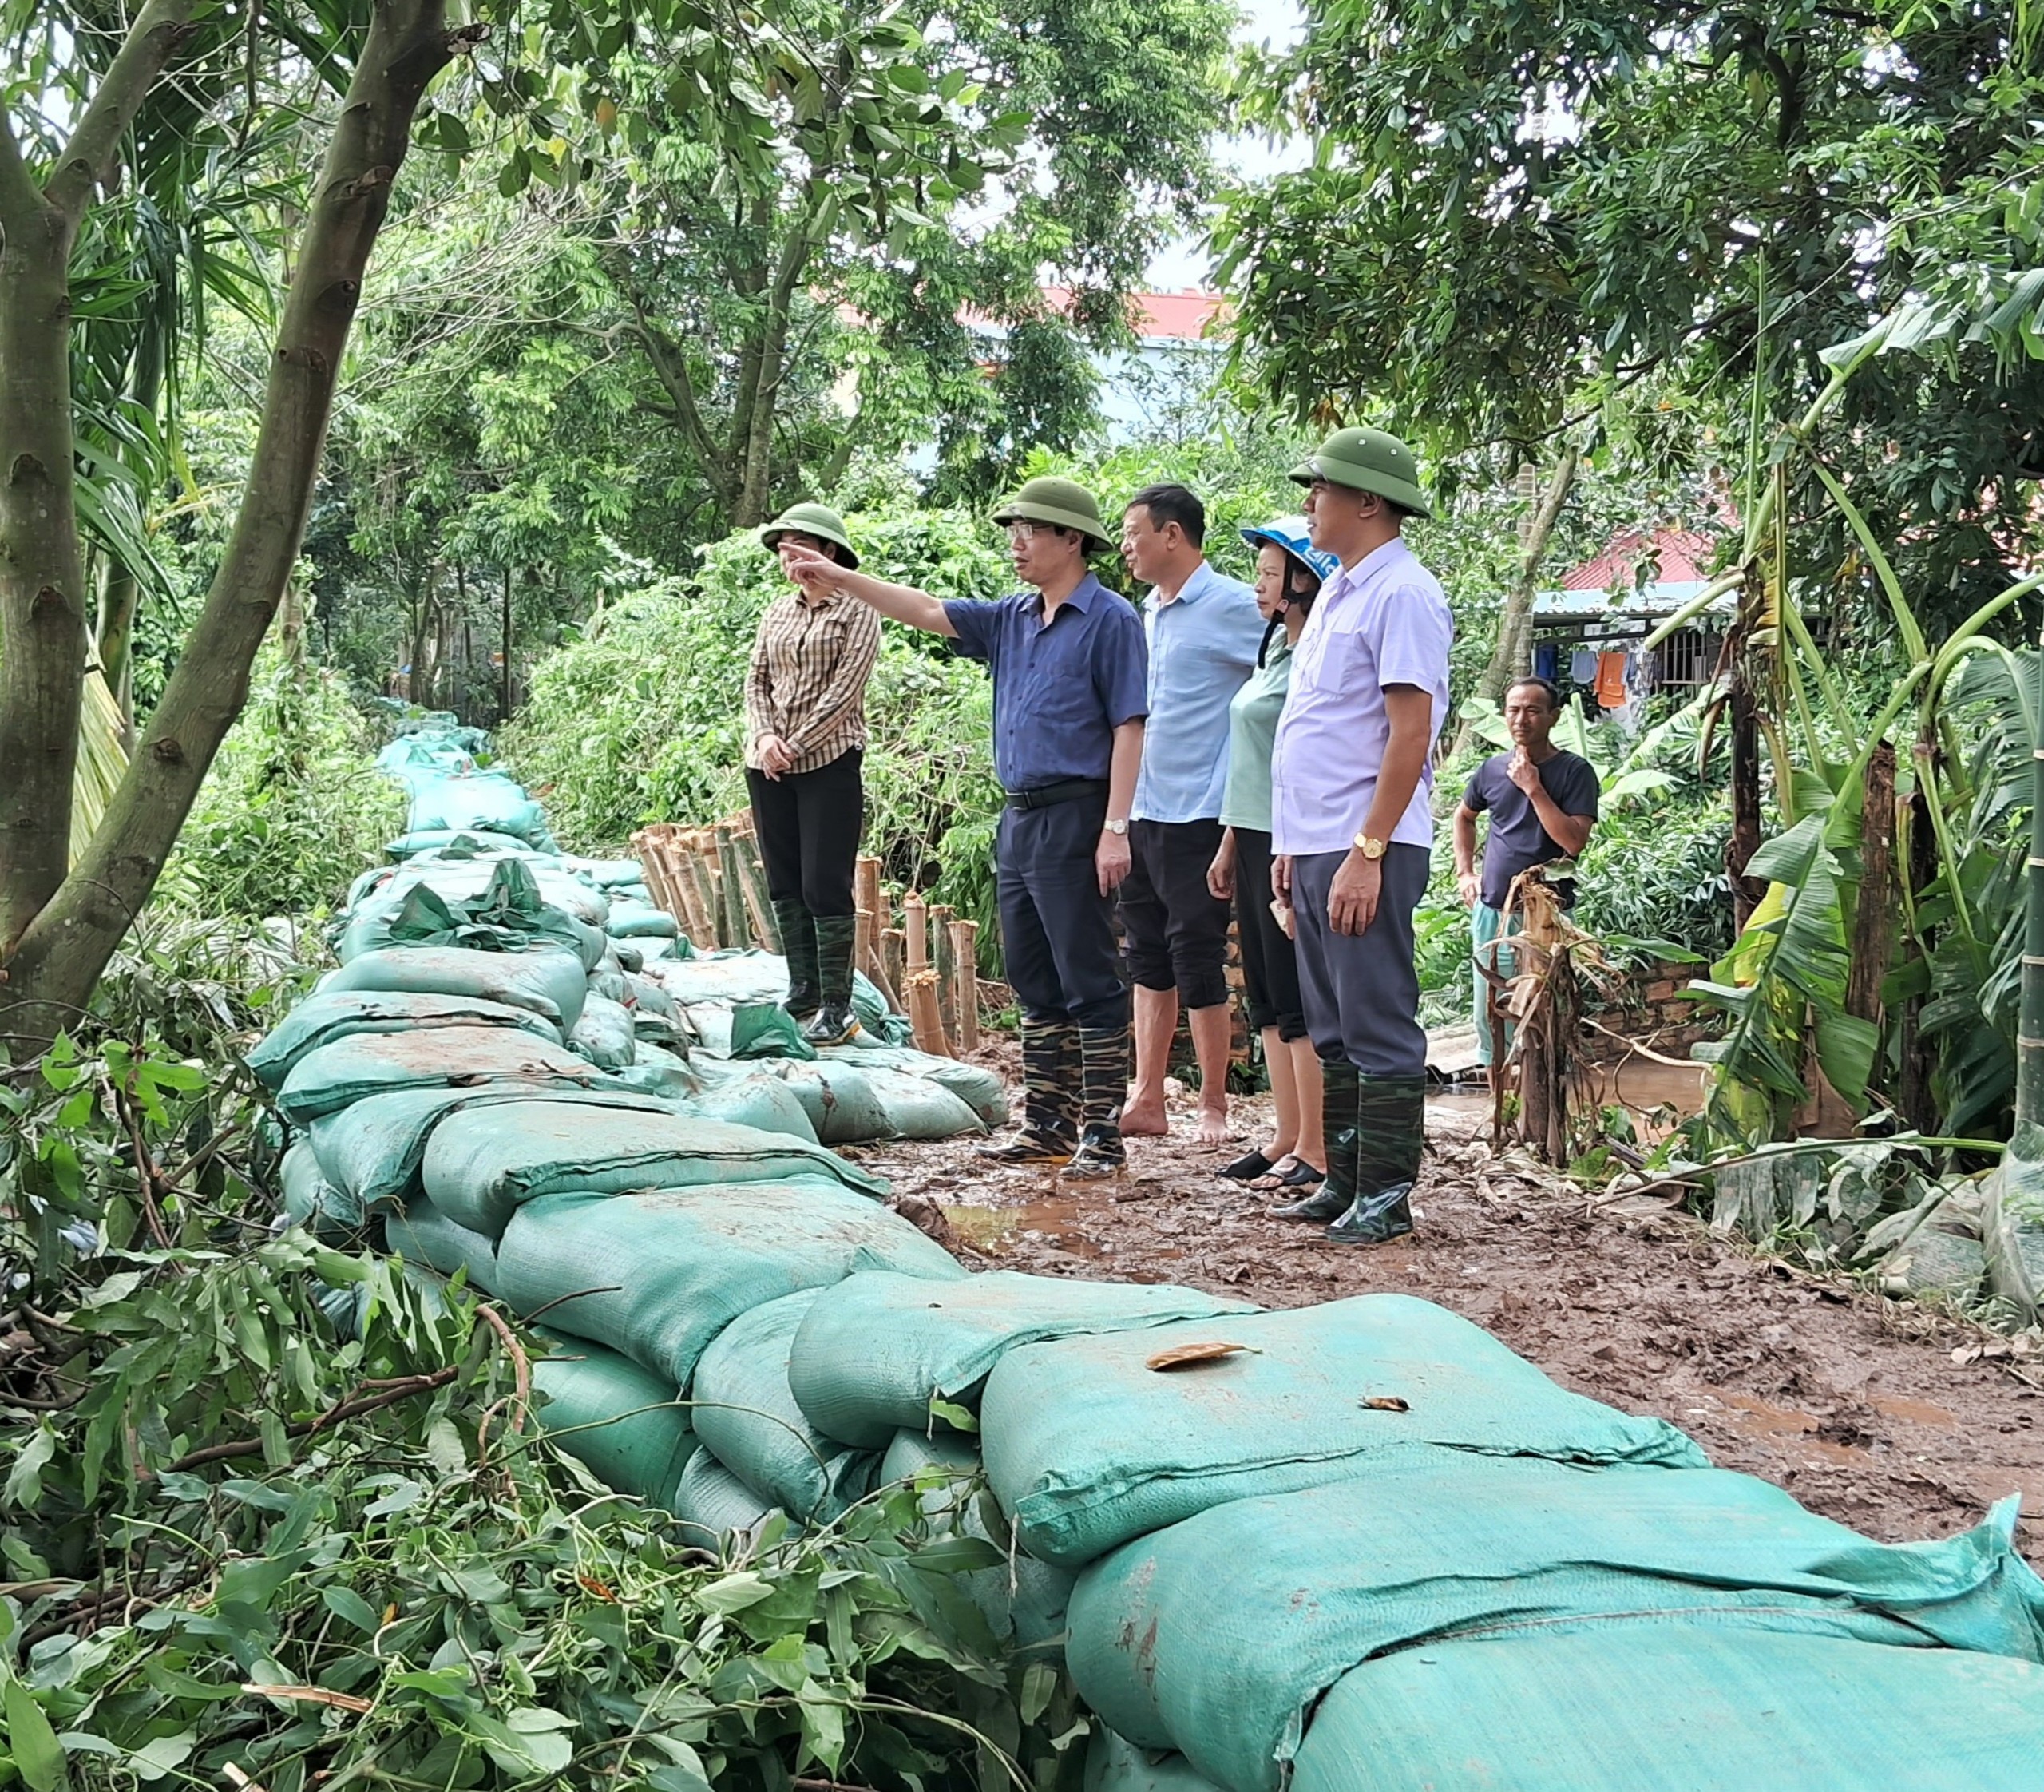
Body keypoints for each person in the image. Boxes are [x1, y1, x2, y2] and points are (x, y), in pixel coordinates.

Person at [779, 478, 1147, 1180]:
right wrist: (838, 576)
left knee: (1089, 974)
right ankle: (1046, 1124)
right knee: (1034, 974)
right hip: (1020, 815)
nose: (1017, 542)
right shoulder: (1012, 617)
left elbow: (1130, 725)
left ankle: (1101, 1132)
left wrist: (1116, 827)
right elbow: (921, 608)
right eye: (1013, 529)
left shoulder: (1110, 619)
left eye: (1030, 530)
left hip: (1079, 811)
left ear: (1072, 538)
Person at [1270, 426, 1452, 1246]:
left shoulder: (1402, 593)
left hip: (1363, 845)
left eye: (1323, 489)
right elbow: (1314, 729)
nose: (1311, 502)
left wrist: (1367, 850)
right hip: (1314, 845)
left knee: (1376, 1018)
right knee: (1333, 1021)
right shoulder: (1340, 590)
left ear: (1368, 503)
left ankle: (1385, 1192)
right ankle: (1343, 1180)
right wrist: (1287, 845)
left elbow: (1408, 735)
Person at [1116, 483, 1266, 1145]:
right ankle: (1148, 1096)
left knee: (1197, 954)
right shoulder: (1143, 613)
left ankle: (1212, 1104)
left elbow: (1283, 676)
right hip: (1143, 806)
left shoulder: (1236, 605)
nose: (1126, 546)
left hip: (1202, 811)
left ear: (1172, 535)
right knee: (1145, 953)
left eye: (1134, 533)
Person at [1207, 517, 1337, 1194]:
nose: (1256, 586)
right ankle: (1287, 1134)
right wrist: (1231, 839)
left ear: (1301, 580)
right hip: (1254, 832)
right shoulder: (1277, 652)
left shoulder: (1319, 652)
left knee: (1295, 995)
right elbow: (1256, 759)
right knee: (1264, 995)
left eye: (1266, 574)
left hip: (1293, 838)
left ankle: (1316, 1145)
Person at [744, 502, 881, 1046]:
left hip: (829, 761)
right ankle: (801, 990)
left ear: (827, 553)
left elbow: (845, 692)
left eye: (799, 547)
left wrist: (796, 744)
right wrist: (764, 738)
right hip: (768, 763)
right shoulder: (777, 612)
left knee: (825, 882)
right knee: (784, 880)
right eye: (782, 549)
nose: (788, 558)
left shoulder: (858, 610)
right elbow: (755, 681)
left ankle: (836, 1005)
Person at [1452, 676, 1599, 1074]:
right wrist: (1466, 873)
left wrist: (1533, 788)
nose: (1522, 718)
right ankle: (1499, 1095)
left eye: (1534, 710)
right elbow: (1464, 817)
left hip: (1546, 918)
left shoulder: (1574, 772)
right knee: (1490, 1009)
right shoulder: (1491, 770)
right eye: (1514, 710)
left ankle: (1543, 1101)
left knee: (1542, 1006)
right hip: (1493, 912)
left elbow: (1573, 843)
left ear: (1553, 717)